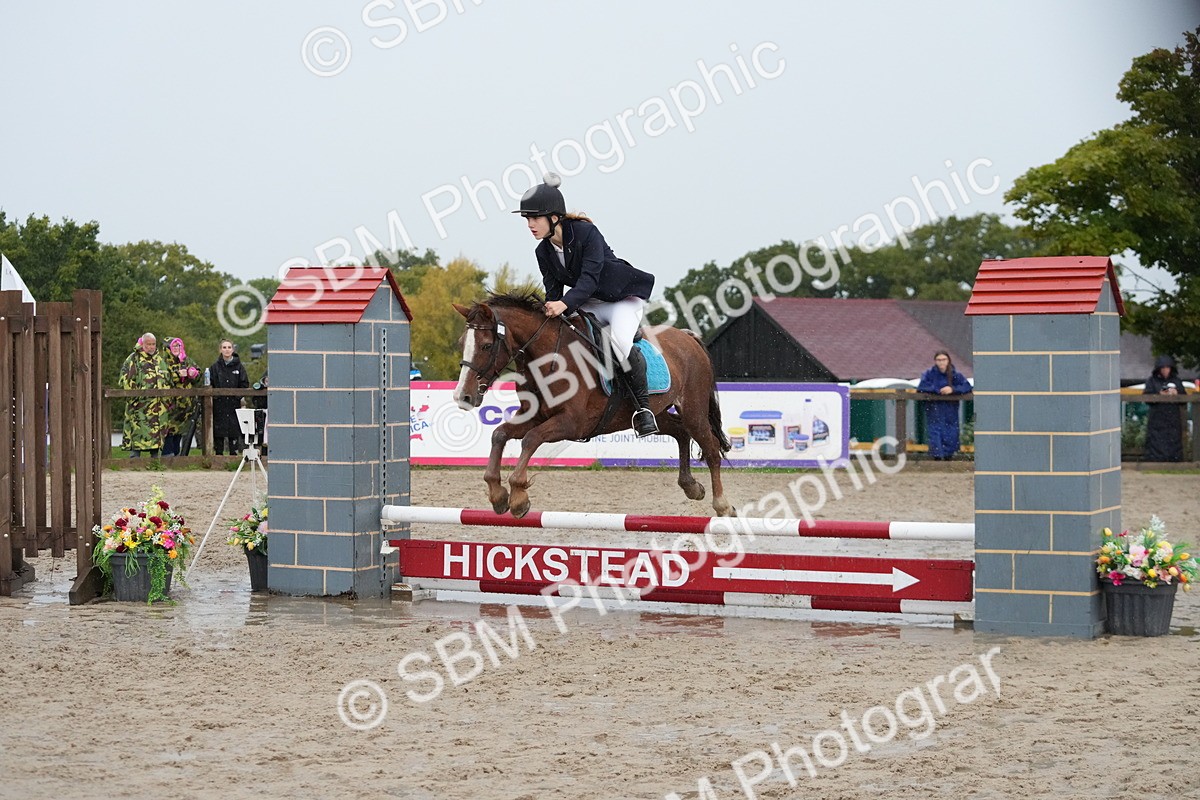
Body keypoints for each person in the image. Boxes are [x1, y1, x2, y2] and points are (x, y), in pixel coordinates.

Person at [514, 173, 658, 437]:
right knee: (572, 339)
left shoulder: (585, 233)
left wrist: (564, 304)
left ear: (554, 217)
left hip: (622, 299)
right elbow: (553, 290)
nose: (530, 225)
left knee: (619, 344)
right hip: (589, 301)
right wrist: (549, 309)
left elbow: (589, 280)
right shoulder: (542, 251)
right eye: (527, 219)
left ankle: (643, 409)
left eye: (534, 218)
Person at [119, 333, 172, 457]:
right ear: (143, 344)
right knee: (137, 434)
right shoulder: (133, 359)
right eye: (148, 344)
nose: (151, 347)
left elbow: (167, 379)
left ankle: (155, 463)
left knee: (156, 437)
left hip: (158, 408)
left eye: (153, 344)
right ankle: (134, 461)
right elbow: (125, 379)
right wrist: (135, 396)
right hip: (140, 407)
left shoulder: (160, 360)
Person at [917, 350, 972, 461]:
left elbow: (966, 386)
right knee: (935, 431)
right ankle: (937, 457)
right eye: (939, 360)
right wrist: (938, 390)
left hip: (950, 409)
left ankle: (948, 457)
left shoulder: (955, 374)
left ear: (948, 361)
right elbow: (922, 387)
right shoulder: (929, 374)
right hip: (934, 408)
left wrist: (953, 389)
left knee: (950, 431)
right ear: (935, 361)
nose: (941, 362)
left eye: (944, 360)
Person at [160, 337, 202, 456]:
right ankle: (167, 455)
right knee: (169, 430)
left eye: (178, 346)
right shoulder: (162, 362)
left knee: (180, 430)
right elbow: (162, 378)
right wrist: (177, 375)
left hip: (186, 405)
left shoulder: (186, 360)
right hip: (169, 404)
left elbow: (199, 375)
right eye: (173, 346)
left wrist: (193, 374)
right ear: (167, 349)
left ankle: (178, 457)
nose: (176, 349)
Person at [1143, 355, 1187, 462]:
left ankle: (1174, 460)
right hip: (1157, 417)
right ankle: (1156, 460)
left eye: (1167, 368)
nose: (1165, 370)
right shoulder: (1152, 381)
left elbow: (1184, 399)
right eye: (1163, 368)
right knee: (1156, 439)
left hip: (1173, 417)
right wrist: (1159, 395)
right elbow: (1146, 397)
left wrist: (1177, 394)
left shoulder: (1176, 381)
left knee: (1174, 439)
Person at [210, 339, 250, 455]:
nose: (227, 350)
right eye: (224, 347)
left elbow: (244, 384)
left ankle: (234, 457)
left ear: (233, 349)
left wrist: (237, 397)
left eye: (229, 347)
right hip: (219, 405)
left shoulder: (239, 367)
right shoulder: (214, 367)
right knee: (218, 432)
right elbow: (210, 383)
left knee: (234, 431)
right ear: (220, 350)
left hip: (233, 405)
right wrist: (216, 398)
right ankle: (218, 457)